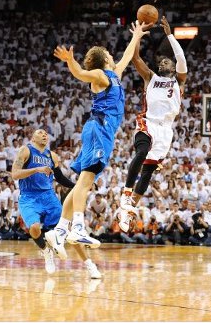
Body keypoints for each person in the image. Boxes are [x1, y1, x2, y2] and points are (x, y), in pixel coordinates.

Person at [48, 20, 148, 250]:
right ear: (104, 59)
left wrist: (137, 36)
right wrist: (70, 61)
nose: (113, 56)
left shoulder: (113, 74)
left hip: (99, 130)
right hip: (99, 128)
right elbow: (81, 73)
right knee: (87, 181)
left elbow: (126, 56)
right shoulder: (101, 75)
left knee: (81, 183)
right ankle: (78, 228)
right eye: (109, 54)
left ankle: (60, 229)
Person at [118, 16, 188, 232]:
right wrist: (137, 37)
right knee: (141, 153)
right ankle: (126, 193)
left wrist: (169, 34)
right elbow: (136, 58)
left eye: (166, 62)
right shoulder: (150, 77)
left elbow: (181, 58)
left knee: (147, 173)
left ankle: (129, 211)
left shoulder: (179, 81)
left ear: (174, 67)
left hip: (166, 131)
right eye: (160, 62)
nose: (162, 63)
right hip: (147, 123)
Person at [12, 129, 101, 278]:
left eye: (46, 133)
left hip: (49, 196)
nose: (44, 134)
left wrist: (78, 187)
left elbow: (59, 178)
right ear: (33, 137)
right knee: (34, 228)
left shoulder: (51, 156)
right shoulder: (25, 151)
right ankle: (46, 251)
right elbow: (14, 174)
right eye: (40, 132)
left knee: (70, 231)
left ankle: (89, 265)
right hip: (29, 196)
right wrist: (37, 169)